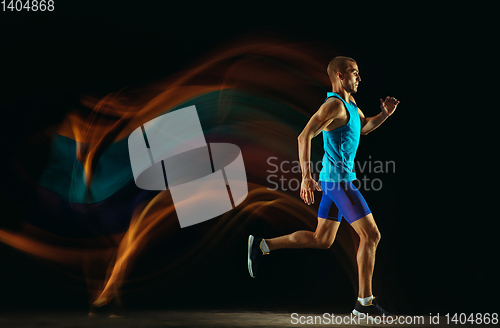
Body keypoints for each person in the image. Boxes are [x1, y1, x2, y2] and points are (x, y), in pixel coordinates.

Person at [247, 56, 399, 317]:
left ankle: (262, 245)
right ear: (339, 75)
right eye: (354, 73)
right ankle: (364, 302)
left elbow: (363, 128)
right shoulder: (333, 105)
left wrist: (384, 115)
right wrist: (306, 176)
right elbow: (304, 135)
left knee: (322, 239)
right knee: (371, 235)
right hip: (338, 182)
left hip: (334, 182)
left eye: (359, 73)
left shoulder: (350, 105)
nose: (359, 78)